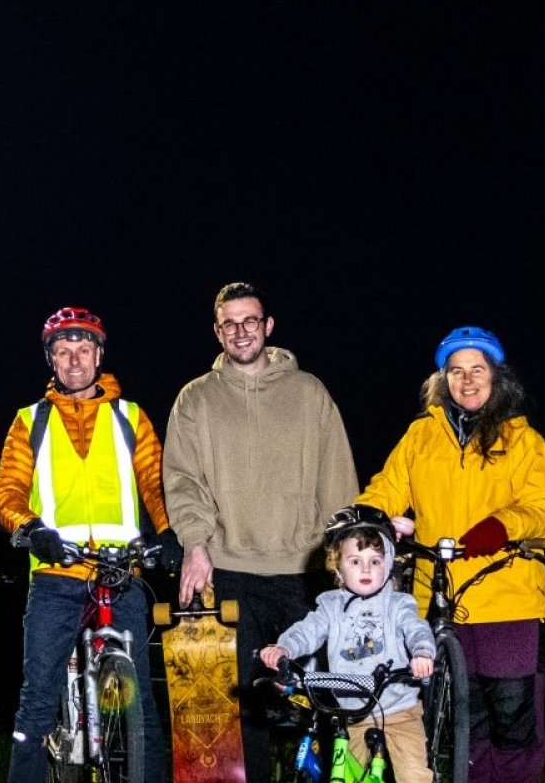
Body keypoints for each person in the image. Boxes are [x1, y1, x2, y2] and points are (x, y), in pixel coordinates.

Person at [161, 282, 359, 781]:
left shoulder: (309, 392)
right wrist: (196, 544)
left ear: (268, 326)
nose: (241, 331)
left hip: (304, 571)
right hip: (230, 570)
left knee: (322, 704)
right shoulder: (196, 399)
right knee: (241, 713)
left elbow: (337, 478)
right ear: (217, 331)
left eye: (250, 321)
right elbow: (182, 481)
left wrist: (348, 557)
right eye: (230, 323)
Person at [356, 326, 545, 783]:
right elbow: (390, 485)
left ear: (496, 377)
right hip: (440, 595)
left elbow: (543, 510)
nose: (467, 380)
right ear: (442, 379)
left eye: (477, 370)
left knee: (512, 719)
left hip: (509, 596)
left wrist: (502, 526)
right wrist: (366, 510)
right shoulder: (422, 435)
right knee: (464, 720)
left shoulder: (525, 441)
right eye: (455, 371)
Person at [0, 307, 178, 783]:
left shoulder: (130, 417)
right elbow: (8, 492)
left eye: (82, 350)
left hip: (120, 574)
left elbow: (156, 485)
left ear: (99, 356)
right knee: (36, 704)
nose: (74, 361)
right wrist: (33, 528)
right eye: (63, 351)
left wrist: (170, 532)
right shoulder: (29, 421)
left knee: (140, 704)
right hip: (56, 578)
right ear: (51, 361)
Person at [260, 507, 436, 783]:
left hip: (400, 710)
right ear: (338, 566)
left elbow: (416, 629)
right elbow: (308, 631)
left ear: (388, 564)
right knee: (348, 776)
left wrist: (422, 653)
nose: (366, 569)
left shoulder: (398, 604)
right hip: (353, 713)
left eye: (375, 561)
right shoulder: (330, 606)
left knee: (414, 777)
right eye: (355, 561)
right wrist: (285, 649)